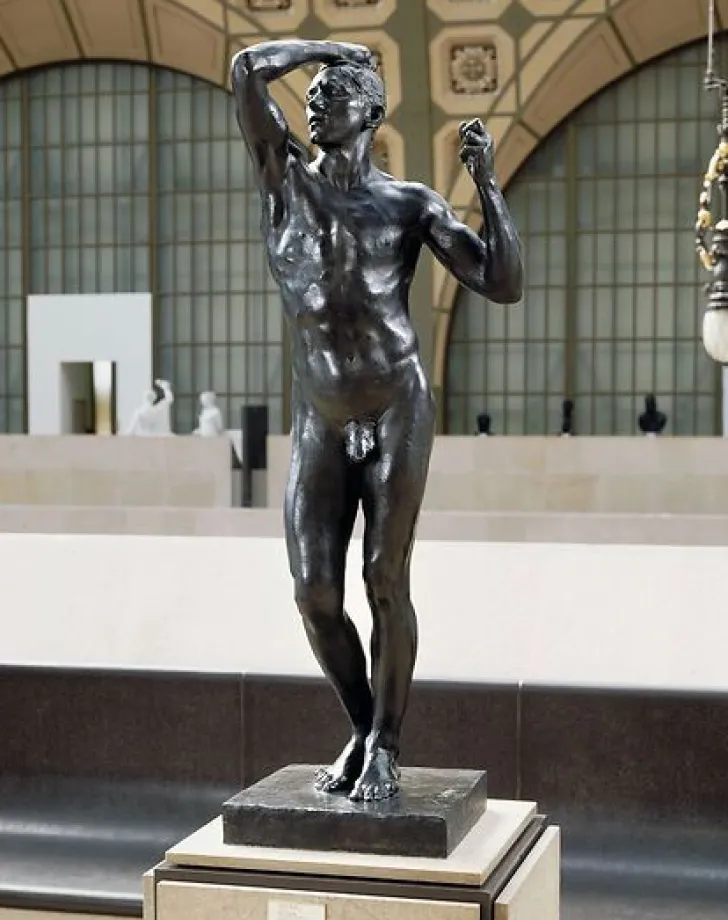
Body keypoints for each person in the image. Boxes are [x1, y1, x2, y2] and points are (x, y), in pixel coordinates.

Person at [231, 39, 522, 801]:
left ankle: (386, 745)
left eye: (333, 92)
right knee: (314, 594)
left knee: (384, 579)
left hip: (397, 402)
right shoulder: (284, 181)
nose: (315, 101)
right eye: (313, 94)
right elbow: (247, 69)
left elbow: (502, 282)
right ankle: (365, 726)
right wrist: (330, 49)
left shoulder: (410, 204)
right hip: (320, 413)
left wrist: (488, 185)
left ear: (370, 111)